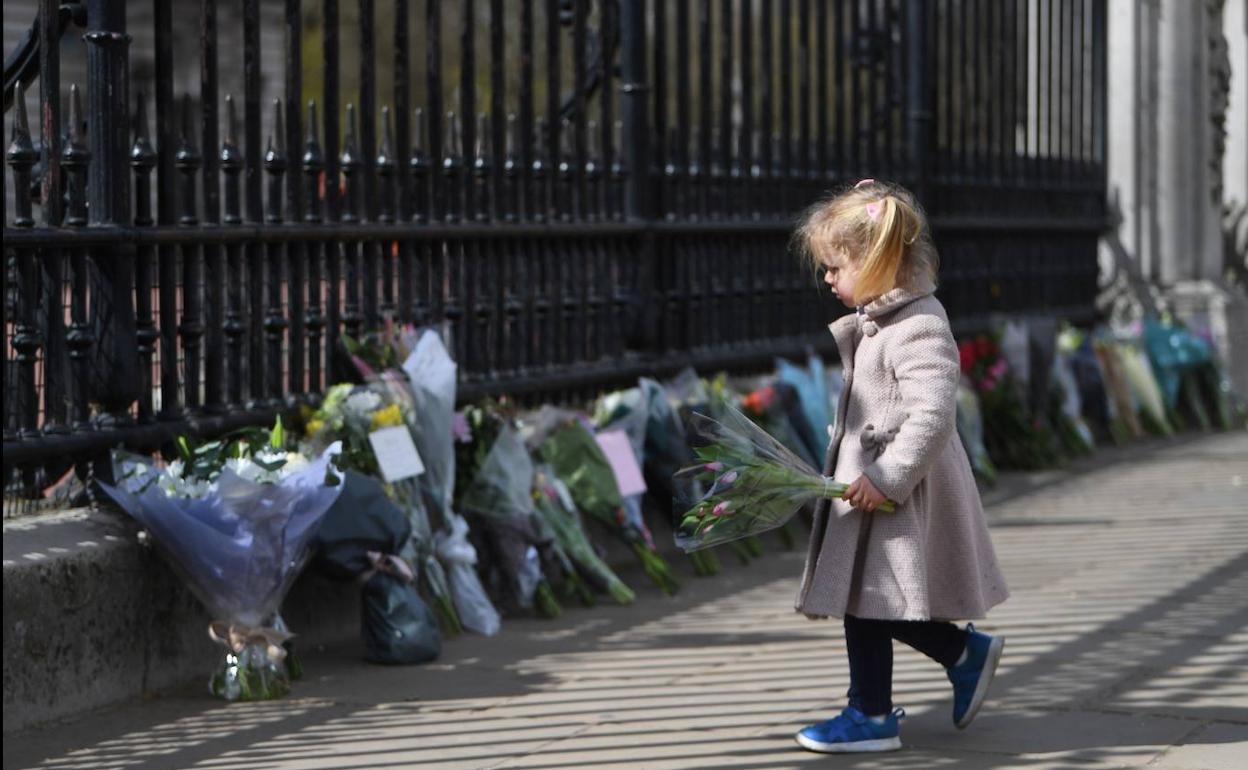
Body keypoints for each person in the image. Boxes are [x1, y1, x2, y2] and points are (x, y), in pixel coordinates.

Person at [789, 179, 1010, 753]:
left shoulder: (918, 325)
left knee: (871, 599)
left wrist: (886, 477)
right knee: (870, 599)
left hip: (898, 494)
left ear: (878, 259)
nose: (829, 280)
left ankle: (872, 713)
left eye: (835, 267)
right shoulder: (883, 320)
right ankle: (959, 656)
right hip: (873, 491)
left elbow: (933, 415)